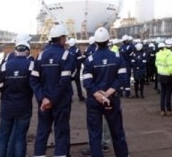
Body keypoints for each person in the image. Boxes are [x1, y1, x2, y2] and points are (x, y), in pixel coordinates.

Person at [82, 27, 130, 157]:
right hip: (112, 99)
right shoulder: (117, 57)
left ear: (96, 42)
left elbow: (87, 82)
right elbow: (122, 78)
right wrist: (107, 94)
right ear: (108, 40)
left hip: (94, 101)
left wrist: (99, 95)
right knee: (117, 132)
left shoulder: (90, 60)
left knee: (95, 134)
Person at [31, 24, 74, 157]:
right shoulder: (67, 55)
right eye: (65, 38)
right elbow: (64, 81)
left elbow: (33, 80)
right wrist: (52, 99)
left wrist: (42, 98)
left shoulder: (40, 56)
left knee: (42, 132)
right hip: (60, 102)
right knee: (61, 133)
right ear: (61, 39)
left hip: (43, 102)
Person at [0, 38, 34, 157]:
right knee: (20, 138)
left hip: (7, 107)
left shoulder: (5, 65)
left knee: (2, 137)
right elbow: (33, 84)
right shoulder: (30, 64)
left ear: (15, 51)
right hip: (24, 106)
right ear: (27, 52)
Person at [156, 39, 172, 116]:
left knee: (163, 93)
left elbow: (157, 64)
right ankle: (169, 109)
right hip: (168, 75)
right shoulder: (170, 54)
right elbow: (170, 66)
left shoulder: (159, 53)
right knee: (168, 93)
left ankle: (162, 110)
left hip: (161, 74)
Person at [67, 37, 86, 102]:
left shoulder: (67, 51)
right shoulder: (77, 50)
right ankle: (80, 97)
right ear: (74, 43)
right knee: (78, 84)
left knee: (68, 85)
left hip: (69, 71)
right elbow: (79, 60)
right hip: (76, 70)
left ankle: (69, 98)